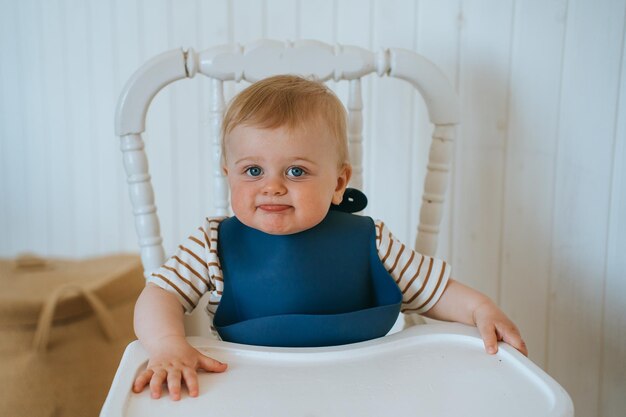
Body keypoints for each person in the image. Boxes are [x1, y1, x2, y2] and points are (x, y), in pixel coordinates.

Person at [132, 75, 527, 401]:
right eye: (253, 171)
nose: (272, 187)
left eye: (296, 172)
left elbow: (434, 290)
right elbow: (159, 294)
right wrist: (167, 343)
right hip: (250, 390)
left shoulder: (369, 240)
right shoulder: (211, 244)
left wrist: (480, 309)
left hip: (365, 388)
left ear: (338, 183)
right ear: (228, 174)